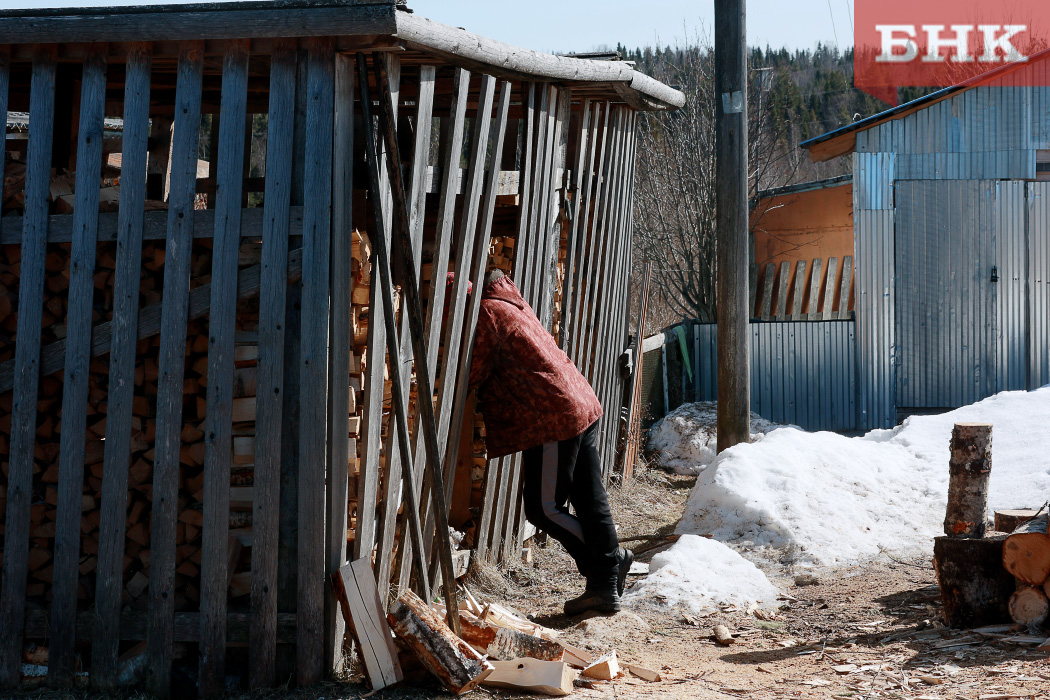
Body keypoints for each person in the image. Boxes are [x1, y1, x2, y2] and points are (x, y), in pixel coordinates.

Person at [462, 269, 632, 615]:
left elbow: (470, 371)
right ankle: (604, 586)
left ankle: (609, 564)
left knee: (544, 509)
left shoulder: (486, 313)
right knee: (589, 499)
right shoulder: (507, 302)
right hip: (576, 402)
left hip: (553, 415)